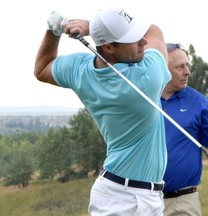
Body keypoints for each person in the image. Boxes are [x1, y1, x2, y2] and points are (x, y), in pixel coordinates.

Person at [34, 8, 171, 216]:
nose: (143, 42)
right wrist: (91, 26)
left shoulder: (80, 70)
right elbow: (155, 32)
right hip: (130, 200)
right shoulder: (146, 76)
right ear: (108, 47)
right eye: (133, 40)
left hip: (122, 193)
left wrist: (54, 31)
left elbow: (42, 68)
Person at [161, 43, 208, 216]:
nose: (187, 71)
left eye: (187, 65)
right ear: (162, 68)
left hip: (184, 201)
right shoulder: (143, 98)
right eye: (180, 67)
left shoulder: (198, 102)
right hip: (144, 198)